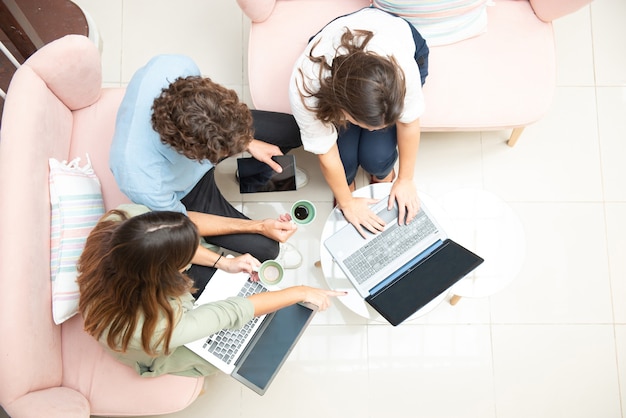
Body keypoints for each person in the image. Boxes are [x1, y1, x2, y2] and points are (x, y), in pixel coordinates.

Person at [110, 54, 304, 296]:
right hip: (187, 191)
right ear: (191, 152)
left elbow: (213, 122)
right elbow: (184, 223)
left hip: (210, 135)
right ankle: (254, 187)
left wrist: (246, 141)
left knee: (294, 132)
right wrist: (259, 226)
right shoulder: (140, 178)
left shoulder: (175, 66)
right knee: (267, 249)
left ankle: (252, 179)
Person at [77, 206, 345, 377]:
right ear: (165, 272)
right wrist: (300, 291)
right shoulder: (154, 327)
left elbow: (176, 235)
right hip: (150, 340)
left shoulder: (123, 218)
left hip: (139, 293)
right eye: (185, 258)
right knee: (222, 355)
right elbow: (231, 312)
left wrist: (224, 262)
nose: (194, 254)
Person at [289, 7, 429, 238]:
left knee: (377, 156)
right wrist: (346, 202)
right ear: (344, 112)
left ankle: (382, 175)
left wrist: (406, 179)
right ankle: (350, 188)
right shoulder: (305, 89)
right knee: (344, 161)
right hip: (333, 54)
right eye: (375, 126)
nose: (381, 129)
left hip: (394, 37)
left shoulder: (402, 70)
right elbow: (327, 154)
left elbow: (409, 123)